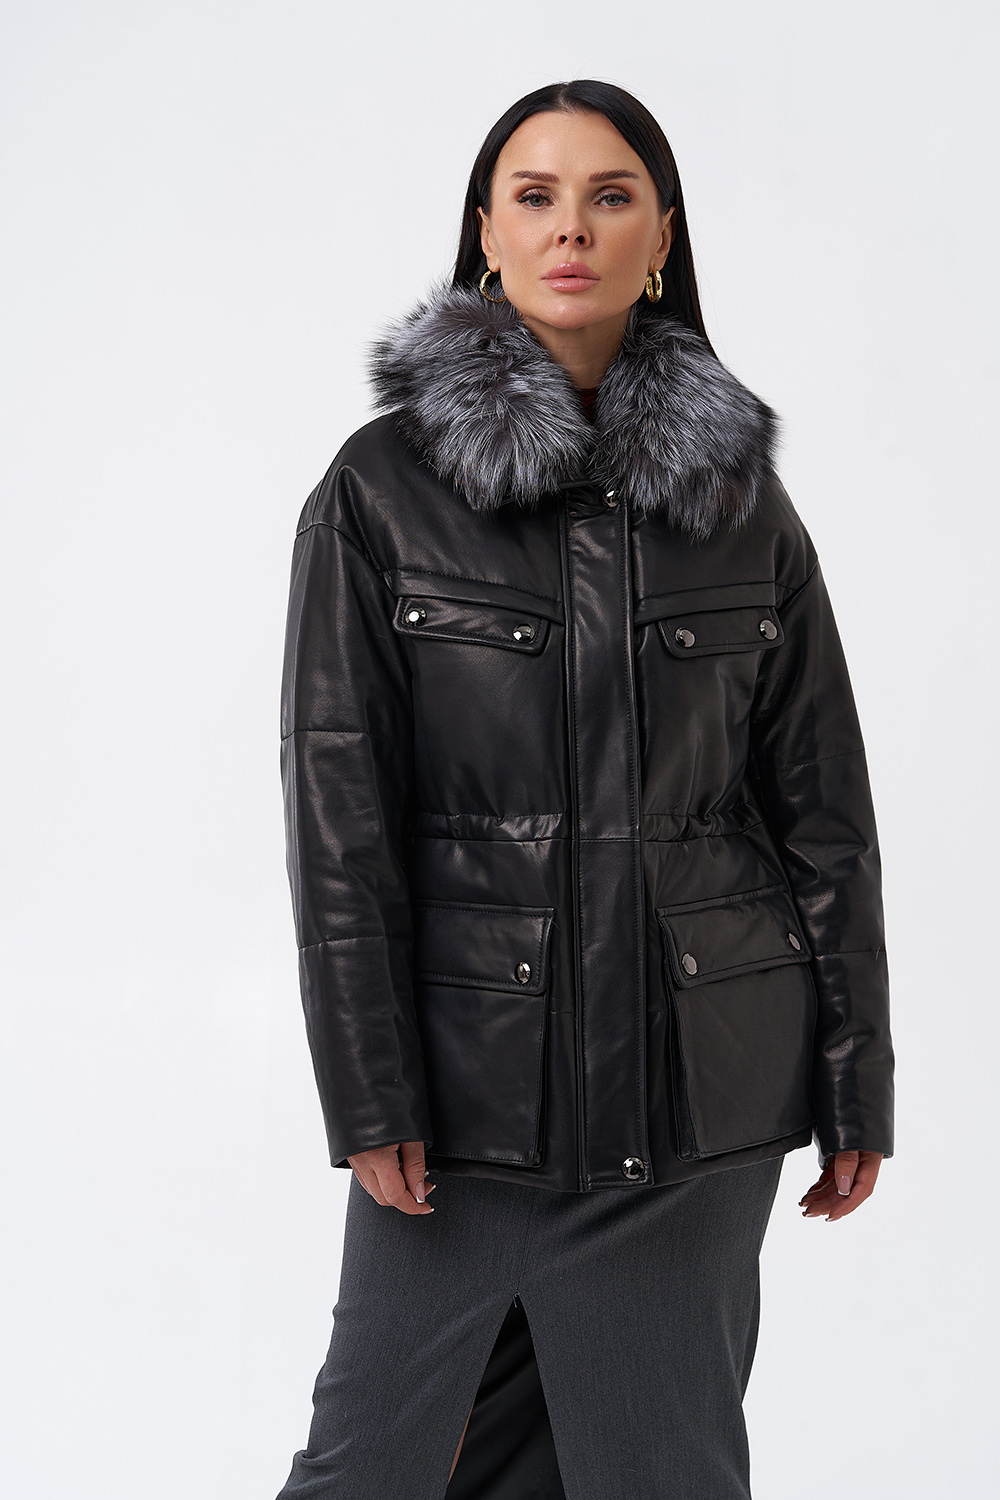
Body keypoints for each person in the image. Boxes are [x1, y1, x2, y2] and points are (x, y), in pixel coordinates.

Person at [274, 79, 894, 1500]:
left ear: (661, 238)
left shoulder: (738, 500)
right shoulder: (380, 492)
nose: (573, 228)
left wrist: (857, 1074)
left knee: (663, 1473)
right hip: (468, 1102)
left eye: (612, 197)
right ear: (485, 232)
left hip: (703, 1092)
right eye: (536, 196)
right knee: (372, 1468)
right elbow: (337, 816)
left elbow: (824, 813)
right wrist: (368, 1086)